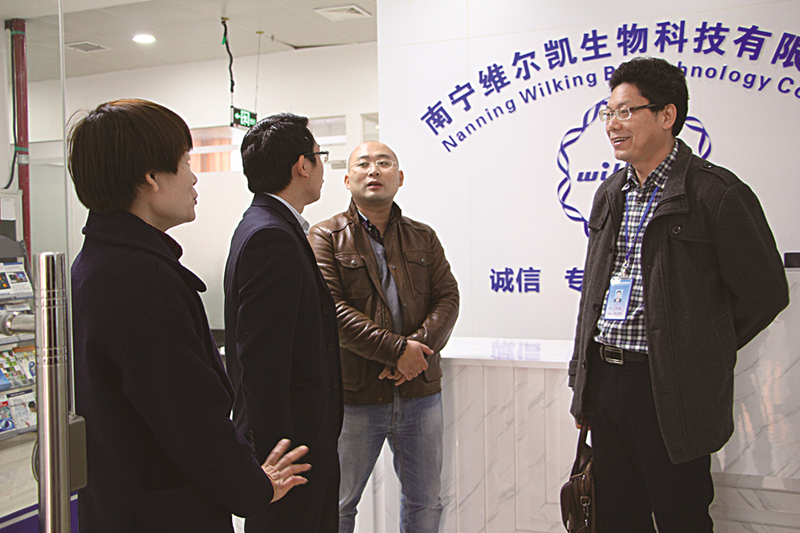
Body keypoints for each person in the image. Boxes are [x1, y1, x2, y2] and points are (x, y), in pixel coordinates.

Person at [568, 57, 789, 532]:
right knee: (615, 518)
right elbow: (593, 295)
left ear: (666, 115)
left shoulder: (716, 193)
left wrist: (696, 347)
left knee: (680, 516)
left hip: (669, 390)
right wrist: (583, 382)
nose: (613, 125)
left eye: (626, 111)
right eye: (609, 113)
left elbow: (767, 292)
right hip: (607, 380)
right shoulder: (610, 193)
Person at [69, 99, 311, 533]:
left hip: (116, 505)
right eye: (184, 163)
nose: (194, 177)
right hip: (162, 515)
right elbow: (190, 420)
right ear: (151, 178)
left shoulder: (97, 263)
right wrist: (254, 487)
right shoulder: (143, 281)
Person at [309, 141, 460, 533]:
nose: (374, 170)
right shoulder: (325, 236)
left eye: (384, 163)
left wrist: (415, 353)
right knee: (339, 504)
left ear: (400, 177)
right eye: (363, 164)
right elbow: (331, 311)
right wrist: (397, 351)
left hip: (420, 393)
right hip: (355, 396)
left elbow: (448, 297)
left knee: (426, 502)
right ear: (347, 180)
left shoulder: (423, 236)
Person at [224, 113, 343, 533]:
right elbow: (261, 360)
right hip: (290, 453)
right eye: (319, 156)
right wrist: (278, 456)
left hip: (294, 445)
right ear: (302, 165)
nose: (323, 167)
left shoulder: (268, 225)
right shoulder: (271, 236)